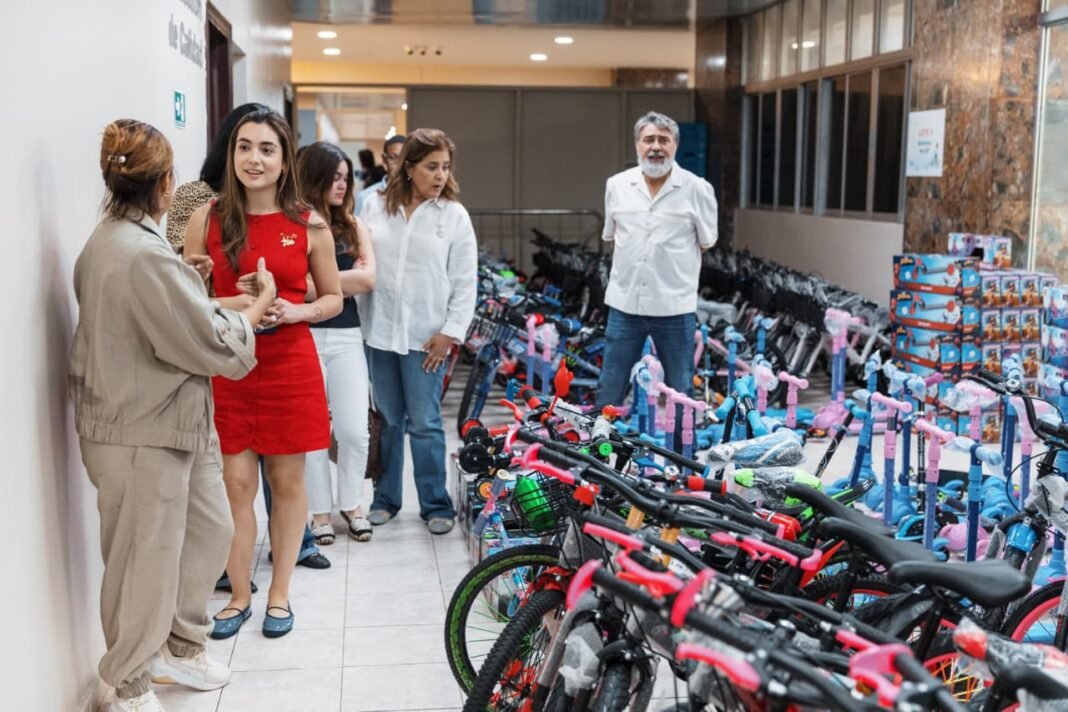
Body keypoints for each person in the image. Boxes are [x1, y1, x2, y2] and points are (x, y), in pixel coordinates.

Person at [72, 119, 277, 711]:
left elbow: (162, 314)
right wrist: (259, 304)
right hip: (140, 428)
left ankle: (180, 647)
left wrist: (190, 284)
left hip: (172, 421)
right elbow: (212, 345)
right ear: (164, 183)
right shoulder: (136, 251)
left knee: (209, 529)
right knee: (143, 562)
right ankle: (129, 682)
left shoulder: (131, 242)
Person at [184, 109, 343, 639]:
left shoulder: (310, 224)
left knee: (287, 481)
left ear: (284, 160)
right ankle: (238, 595)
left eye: (267, 149)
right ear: (231, 155)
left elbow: (333, 298)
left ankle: (280, 594)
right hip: (229, 365)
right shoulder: (206, 218)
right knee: (234, 485)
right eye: (244, 147)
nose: (254, 159)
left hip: (289, 364)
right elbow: (185, 298)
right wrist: (233, 301)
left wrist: (296, 310)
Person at [357, 128, 477, 535]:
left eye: (445, 167)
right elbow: (361, 263)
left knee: (424, 422)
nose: (440, 175)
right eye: (431, 167)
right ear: (408, 168)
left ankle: (435, 504)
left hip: (428, 339)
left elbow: (465, 282)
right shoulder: (374, 206)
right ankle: (385, 499)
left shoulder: (453, 216)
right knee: (389, 420)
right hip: (379, 333)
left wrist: (450, 333)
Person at [596, 111, 718, 420]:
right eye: (648, 139)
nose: (656, 147)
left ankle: (683, 446)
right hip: (625, 304)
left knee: (680, 389)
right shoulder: (617, 185)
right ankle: (598, 445)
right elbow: (612, 236)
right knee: (610, 387)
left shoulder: (697, 189)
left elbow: (706, 241)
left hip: (674, 307)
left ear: (675, 145)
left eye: (664, 140)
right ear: (637, 144)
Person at [297, 142, 377, 543]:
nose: (342, 185)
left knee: (354, 430)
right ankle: (320, 513)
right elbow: (294, 287)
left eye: (346, 178)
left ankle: (352, 503)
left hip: (347, 335)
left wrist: (319, 284)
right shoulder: (296, 225)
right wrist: (342, 282)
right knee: (312, 431)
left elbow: (369, 279)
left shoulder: (353, 225)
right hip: (305, 334)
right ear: (315, 178)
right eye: (334, 178)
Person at [355, 134, 405, 215]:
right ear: (384, 159)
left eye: (404, 158)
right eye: (393, 158)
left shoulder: (418, 197)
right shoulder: (365, 197)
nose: (399, 164)